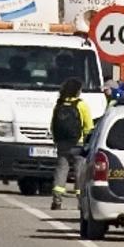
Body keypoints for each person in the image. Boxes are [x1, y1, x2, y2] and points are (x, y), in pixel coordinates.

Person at [50, 78, 94, 210]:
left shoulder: (59, 103)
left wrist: (56, 140)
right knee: (80, 172)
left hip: (62, 143)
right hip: (78, 143)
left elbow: (53, 125)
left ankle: (57, 199)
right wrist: (88, 141)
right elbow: (88, 125)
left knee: (61, 169)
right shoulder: (81, 105)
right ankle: (81, 202)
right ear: (77, 91)